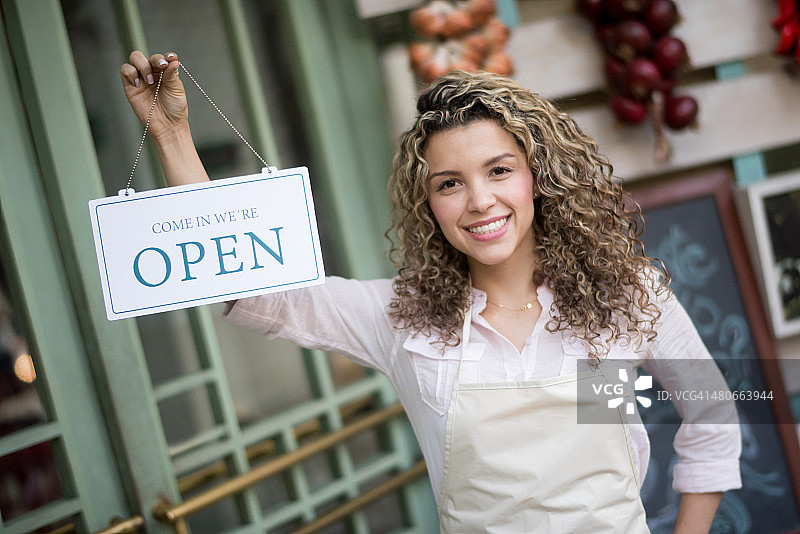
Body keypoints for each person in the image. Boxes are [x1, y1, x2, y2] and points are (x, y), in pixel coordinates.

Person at [120, 51, 741, 533]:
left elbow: (711, 415)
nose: (480, 201)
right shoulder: (402, 317)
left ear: (538, 177)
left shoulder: (624, 295)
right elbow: (252, 289)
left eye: (499, 170)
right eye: (449, 183)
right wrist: (172, 136)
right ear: (428, 205)